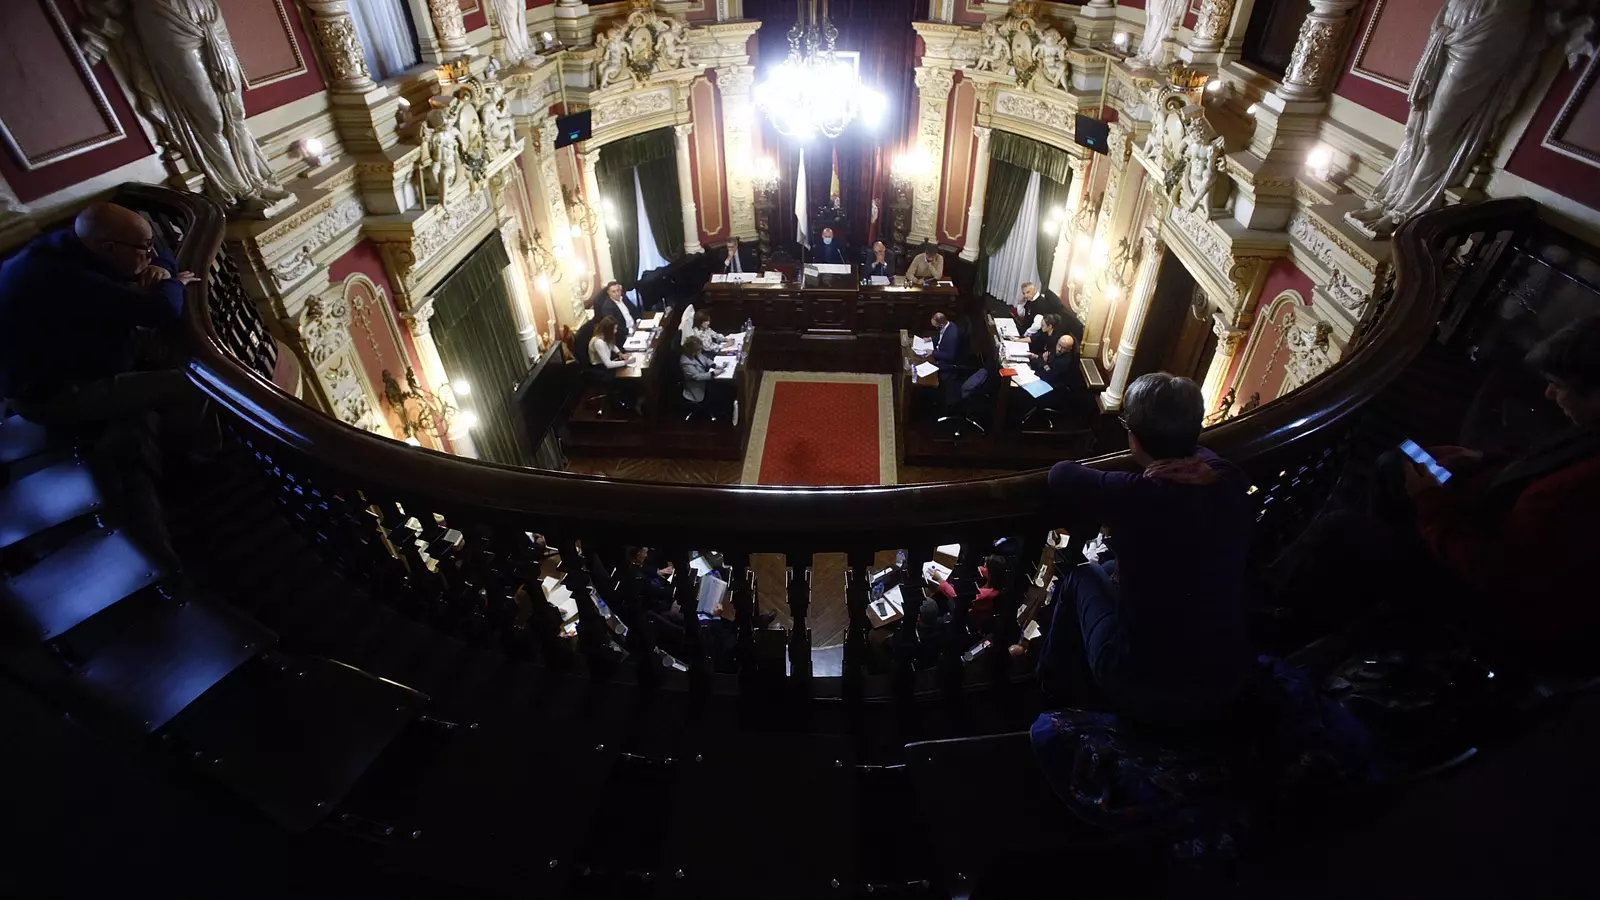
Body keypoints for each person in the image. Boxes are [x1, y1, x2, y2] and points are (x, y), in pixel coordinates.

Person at [1274, 316, 1600, 667]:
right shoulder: (1589, 434)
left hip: (1481, 600)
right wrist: (1481, 459)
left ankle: (1295, 629)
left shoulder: (1580, 490)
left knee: (1341, 530)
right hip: (1484, 515)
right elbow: (1542, 466)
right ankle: (1374, 582)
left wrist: (1429, 501)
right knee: (1396, 463)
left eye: (1558, 385)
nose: (1548, 394)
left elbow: (1493, 574)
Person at [1037, 373, 1255, 726]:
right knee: (1110, 569)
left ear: (1134, 439)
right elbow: (1224, 468)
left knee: (1080, 576)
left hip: (1144, 680)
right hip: (1226, 669)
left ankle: (1052, 685)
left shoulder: (1137, 494)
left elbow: (1060, 474)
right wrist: (1209, 464)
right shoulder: (1226, 481)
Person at [1, 202, 207, 567]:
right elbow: (160, 311)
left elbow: (161, 251)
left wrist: (161, 266)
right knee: (196, 383)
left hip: (68, 367)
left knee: (158, 364)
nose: (150, 253)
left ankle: (175, 449)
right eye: (144, 249)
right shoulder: (62, 277)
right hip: (54, 395)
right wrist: (173, 283)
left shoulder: (70, 243)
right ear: (108, 247)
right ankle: (192, 456)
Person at [929, 553, 1008, 632]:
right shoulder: (997, 579)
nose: (983, 567)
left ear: (990, 573)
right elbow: (980, 570)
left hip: (965, 617)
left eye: (985, 566)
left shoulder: (985, 595)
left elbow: (957, 597)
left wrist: (940, 580)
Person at [679, 335, 728, 419]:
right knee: (718, 391)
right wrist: (713, 373)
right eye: (699, 349)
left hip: (706, 379)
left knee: (722, 388)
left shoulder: (696, 353)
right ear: (692, 351)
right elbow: (697, 376)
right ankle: (718, 411)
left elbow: (705, 359)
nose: (700, 351)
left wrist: (714, 365)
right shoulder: (685, 362)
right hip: (697, 387)